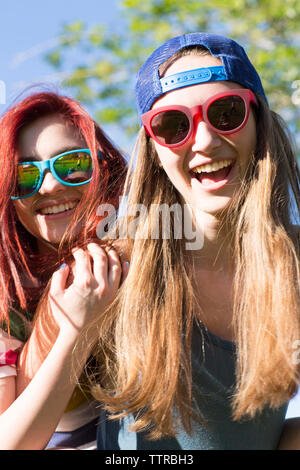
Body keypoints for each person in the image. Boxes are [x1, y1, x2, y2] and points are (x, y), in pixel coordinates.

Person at [89, 33, 300, 450]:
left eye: (226, 112)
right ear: (153, 149)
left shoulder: (294, 266)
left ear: (260, 123)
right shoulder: (110, 273)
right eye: (173, 125)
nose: (204, 142)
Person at [0, 89, 127, 450]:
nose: (52, 185)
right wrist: (78, 329)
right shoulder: (5, 298)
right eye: (25, 176)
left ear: (103, 169)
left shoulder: (147, 256)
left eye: (72, 165)